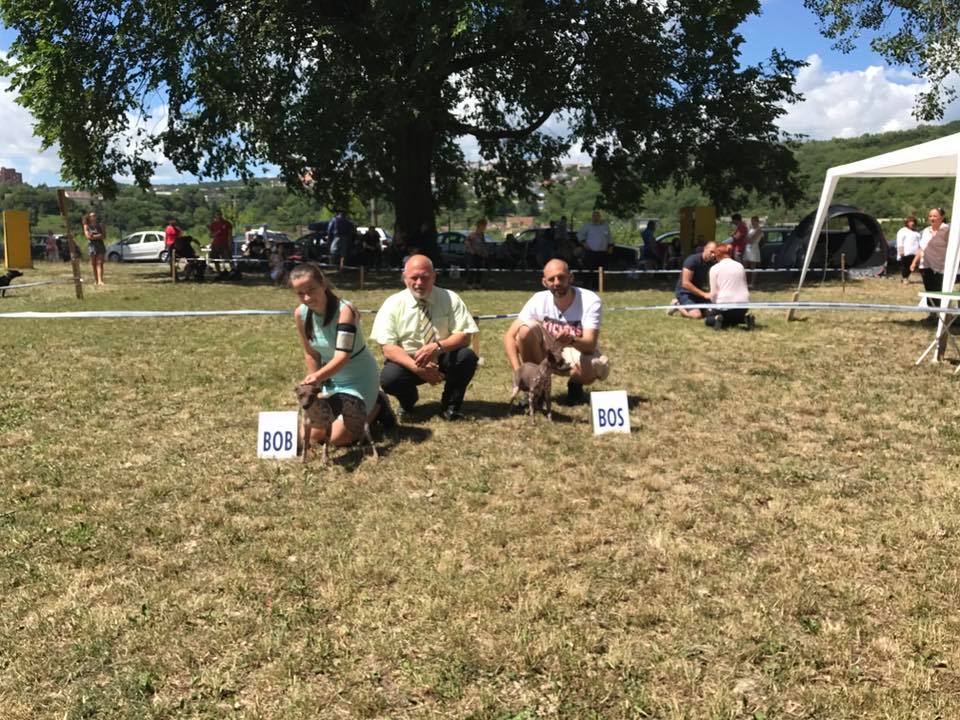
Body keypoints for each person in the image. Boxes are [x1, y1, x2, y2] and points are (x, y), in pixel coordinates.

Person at [291, 263, 394, 447]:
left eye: (311, 290)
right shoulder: (300, 314)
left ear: (323, 284)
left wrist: (317, 376)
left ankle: (378, 405)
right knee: (311, 435)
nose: (307, 298)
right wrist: (316, 387)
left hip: (359, 379)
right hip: (331, 380)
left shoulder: (345, 311)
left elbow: (342, 357)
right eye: (300, 293)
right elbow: (311, 353)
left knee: (337, 439)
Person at [371, 254, 479, 421]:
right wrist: (418, 369)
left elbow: (465, 336)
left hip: (442, 354)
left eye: (425, 277)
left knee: (467, 357)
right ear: (404, 277)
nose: (419, 283)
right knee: (389, 379)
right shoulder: (392, 304)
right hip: (408, 359)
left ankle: (451, 407)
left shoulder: (450, 298)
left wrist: (437, 347)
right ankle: (408, 402)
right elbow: (388, 348)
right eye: (414, 278)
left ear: (434, 276)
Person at [503, 259, 610, 406]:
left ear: (571, 277)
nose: (557, 283)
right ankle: (536, 387)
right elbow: (509, 336)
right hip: (547, 353)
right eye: (551, 279)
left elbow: (590, 345)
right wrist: (519, 372)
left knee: (594, 364)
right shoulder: (538, 299)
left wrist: (571, 339)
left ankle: (575, 384)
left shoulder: (590, 300)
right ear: (544, 282)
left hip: (575, 352)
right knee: (525, 330)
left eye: (561, 277)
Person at [911, 207, 951, 316]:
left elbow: (952, 248)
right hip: (926, 265)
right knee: (929, 291)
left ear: (941, 218)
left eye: (935, 216)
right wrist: (914, 262)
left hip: (941, 266)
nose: (932, 218)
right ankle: (932, 315)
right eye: (930, 216)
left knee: (940, 292)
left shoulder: (946, 230)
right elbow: (921, 248)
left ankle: (942, 316)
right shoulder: (925, 231)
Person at [705, 244, 754, 329]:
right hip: (743, 306)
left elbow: (713, 294)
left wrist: (713, 305)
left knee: (708, 320)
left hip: (724, 306)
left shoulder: (714, 268)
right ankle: (744, 318)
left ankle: (716, 319)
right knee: (732, 320)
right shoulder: (740, 266)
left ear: (717, 255)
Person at [668, 241, 717, 319]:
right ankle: (677, 304)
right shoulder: (692, 260)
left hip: (698, 293)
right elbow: (685, 283)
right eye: (711, 252)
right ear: (705, 248)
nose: (713, 255)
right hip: (685, 293)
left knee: (712, 312)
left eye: (715, 253)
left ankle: (697, 308)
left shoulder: (712, 263)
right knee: (697, 315)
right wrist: (704, 294)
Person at [577, 210, 613, 290]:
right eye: (594, 216)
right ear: (592, 217)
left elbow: (609, 237)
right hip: (591, 252)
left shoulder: (605, 226)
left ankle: (599, 287)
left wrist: (610, 246)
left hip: (602, 252)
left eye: (597, 216)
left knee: (601, 271)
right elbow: (579, 235)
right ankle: (588, 287)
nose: (596, 218)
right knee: (590, 271)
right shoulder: (587, 226)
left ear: (600, 217)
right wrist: (584, 243)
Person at [83, 211, 106, 286]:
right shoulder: (87, 225)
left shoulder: (100, 225)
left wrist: (94, 236)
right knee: (93, 264)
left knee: (99, 263)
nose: (93, 217)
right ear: (88, 217)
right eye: (91, 216)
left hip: (100, 244)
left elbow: (104, 236)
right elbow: (88, 236)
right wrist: (98, 236)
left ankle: (100, 280)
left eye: (94, 215)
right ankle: (96, 280)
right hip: (91, 245)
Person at [465, 218, 489, 288]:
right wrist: (471, 250)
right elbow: (466, 242)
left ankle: (477, 283)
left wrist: (485, 252)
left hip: (480, 255)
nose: (485, 227)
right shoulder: (473, 235)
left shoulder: (482, 235)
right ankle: (469, 284)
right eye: (484, 225)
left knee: (480, 269)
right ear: (480, 225)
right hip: (472, 255)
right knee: (472, 269)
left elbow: (483, 245)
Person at [208, 209, 233, 276]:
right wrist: (217, 233)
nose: (218, 216)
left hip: (225, 244)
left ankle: (233, 270)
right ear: (215, 215)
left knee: (229, 258)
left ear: (221, 215)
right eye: (217, 214)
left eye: (219, 214)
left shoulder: (227, 223)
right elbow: (210, 235)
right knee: (215, 258)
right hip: (215, 244)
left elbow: (230, 234)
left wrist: (230, 243)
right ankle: (219, 272)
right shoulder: (213, 224)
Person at [897, 215, 921, 284]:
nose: (912, 223)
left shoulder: (917, 233)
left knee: (911, 266)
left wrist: (919, 252)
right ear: (907, 223)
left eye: (913, 222)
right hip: (905, 253)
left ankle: (906, 277)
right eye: (910, 222)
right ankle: (904, 278)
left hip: (915, 253)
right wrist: (901, 251)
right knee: (905, 266)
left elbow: (920, 243)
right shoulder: (902, 231)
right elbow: (900, 241)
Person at [743, 216, 763, 287]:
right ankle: (744, 282)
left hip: (754, 249)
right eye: (752, 221)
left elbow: (752, 241)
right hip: (747, 249)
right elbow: (745, 239)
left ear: (757, 221)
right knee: (744, 266)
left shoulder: (759, 230)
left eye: (754, 221)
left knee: (753, 267)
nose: (752, 223)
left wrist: (747, 240)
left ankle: (752, 283)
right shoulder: (751, 229)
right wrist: (747, 240)